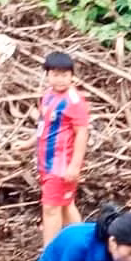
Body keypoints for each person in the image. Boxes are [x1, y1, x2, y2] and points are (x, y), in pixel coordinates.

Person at [36, 51, 91, 248]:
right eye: (55, 74)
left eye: (64, 75)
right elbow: (44, 125)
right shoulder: (48, 96)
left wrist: (74, 166)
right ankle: (85, 250)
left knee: (51, 208)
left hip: (61, 166)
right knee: (66, 206)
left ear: (71, 76)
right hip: (45, 163)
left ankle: (48, 257)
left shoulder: (74, 101)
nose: (60, 79)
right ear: (48, 75)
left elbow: (82, 134)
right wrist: (27, 143)